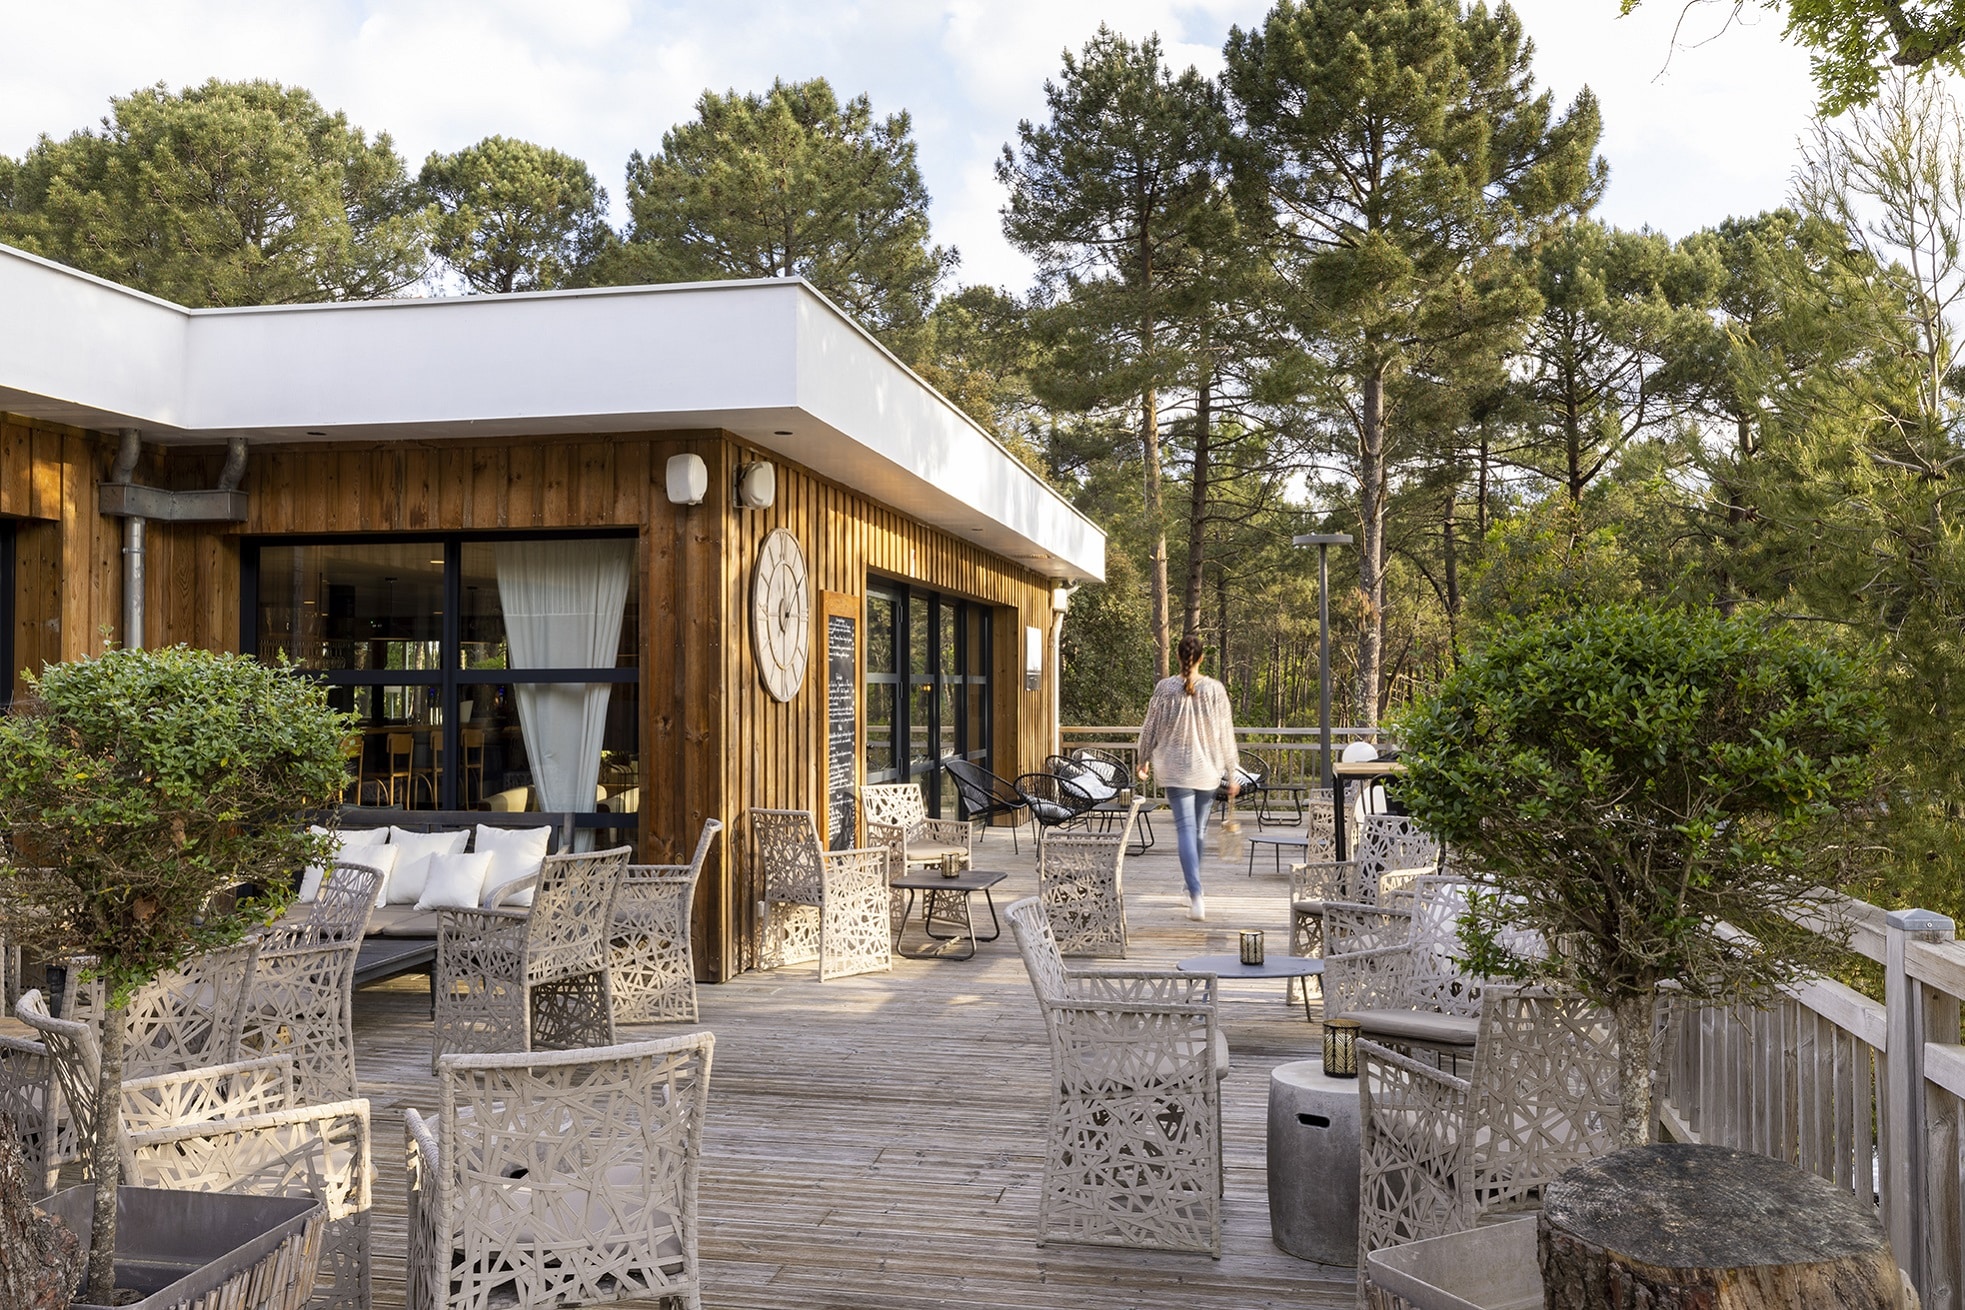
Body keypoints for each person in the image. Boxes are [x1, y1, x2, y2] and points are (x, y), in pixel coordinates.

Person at [1135, 632, 1240, 920]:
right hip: (1207, 770)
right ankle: (1192, 888)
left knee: (1185, 829)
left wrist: (1143, 758)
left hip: (1174, 768)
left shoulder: (1164, 688)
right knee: (1199, 831)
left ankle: (1194, 893)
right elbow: (1226, 735)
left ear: (1179, 657)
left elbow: (1150, 728)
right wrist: (1232, 773)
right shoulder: (1215, 690)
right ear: (1201, 658)